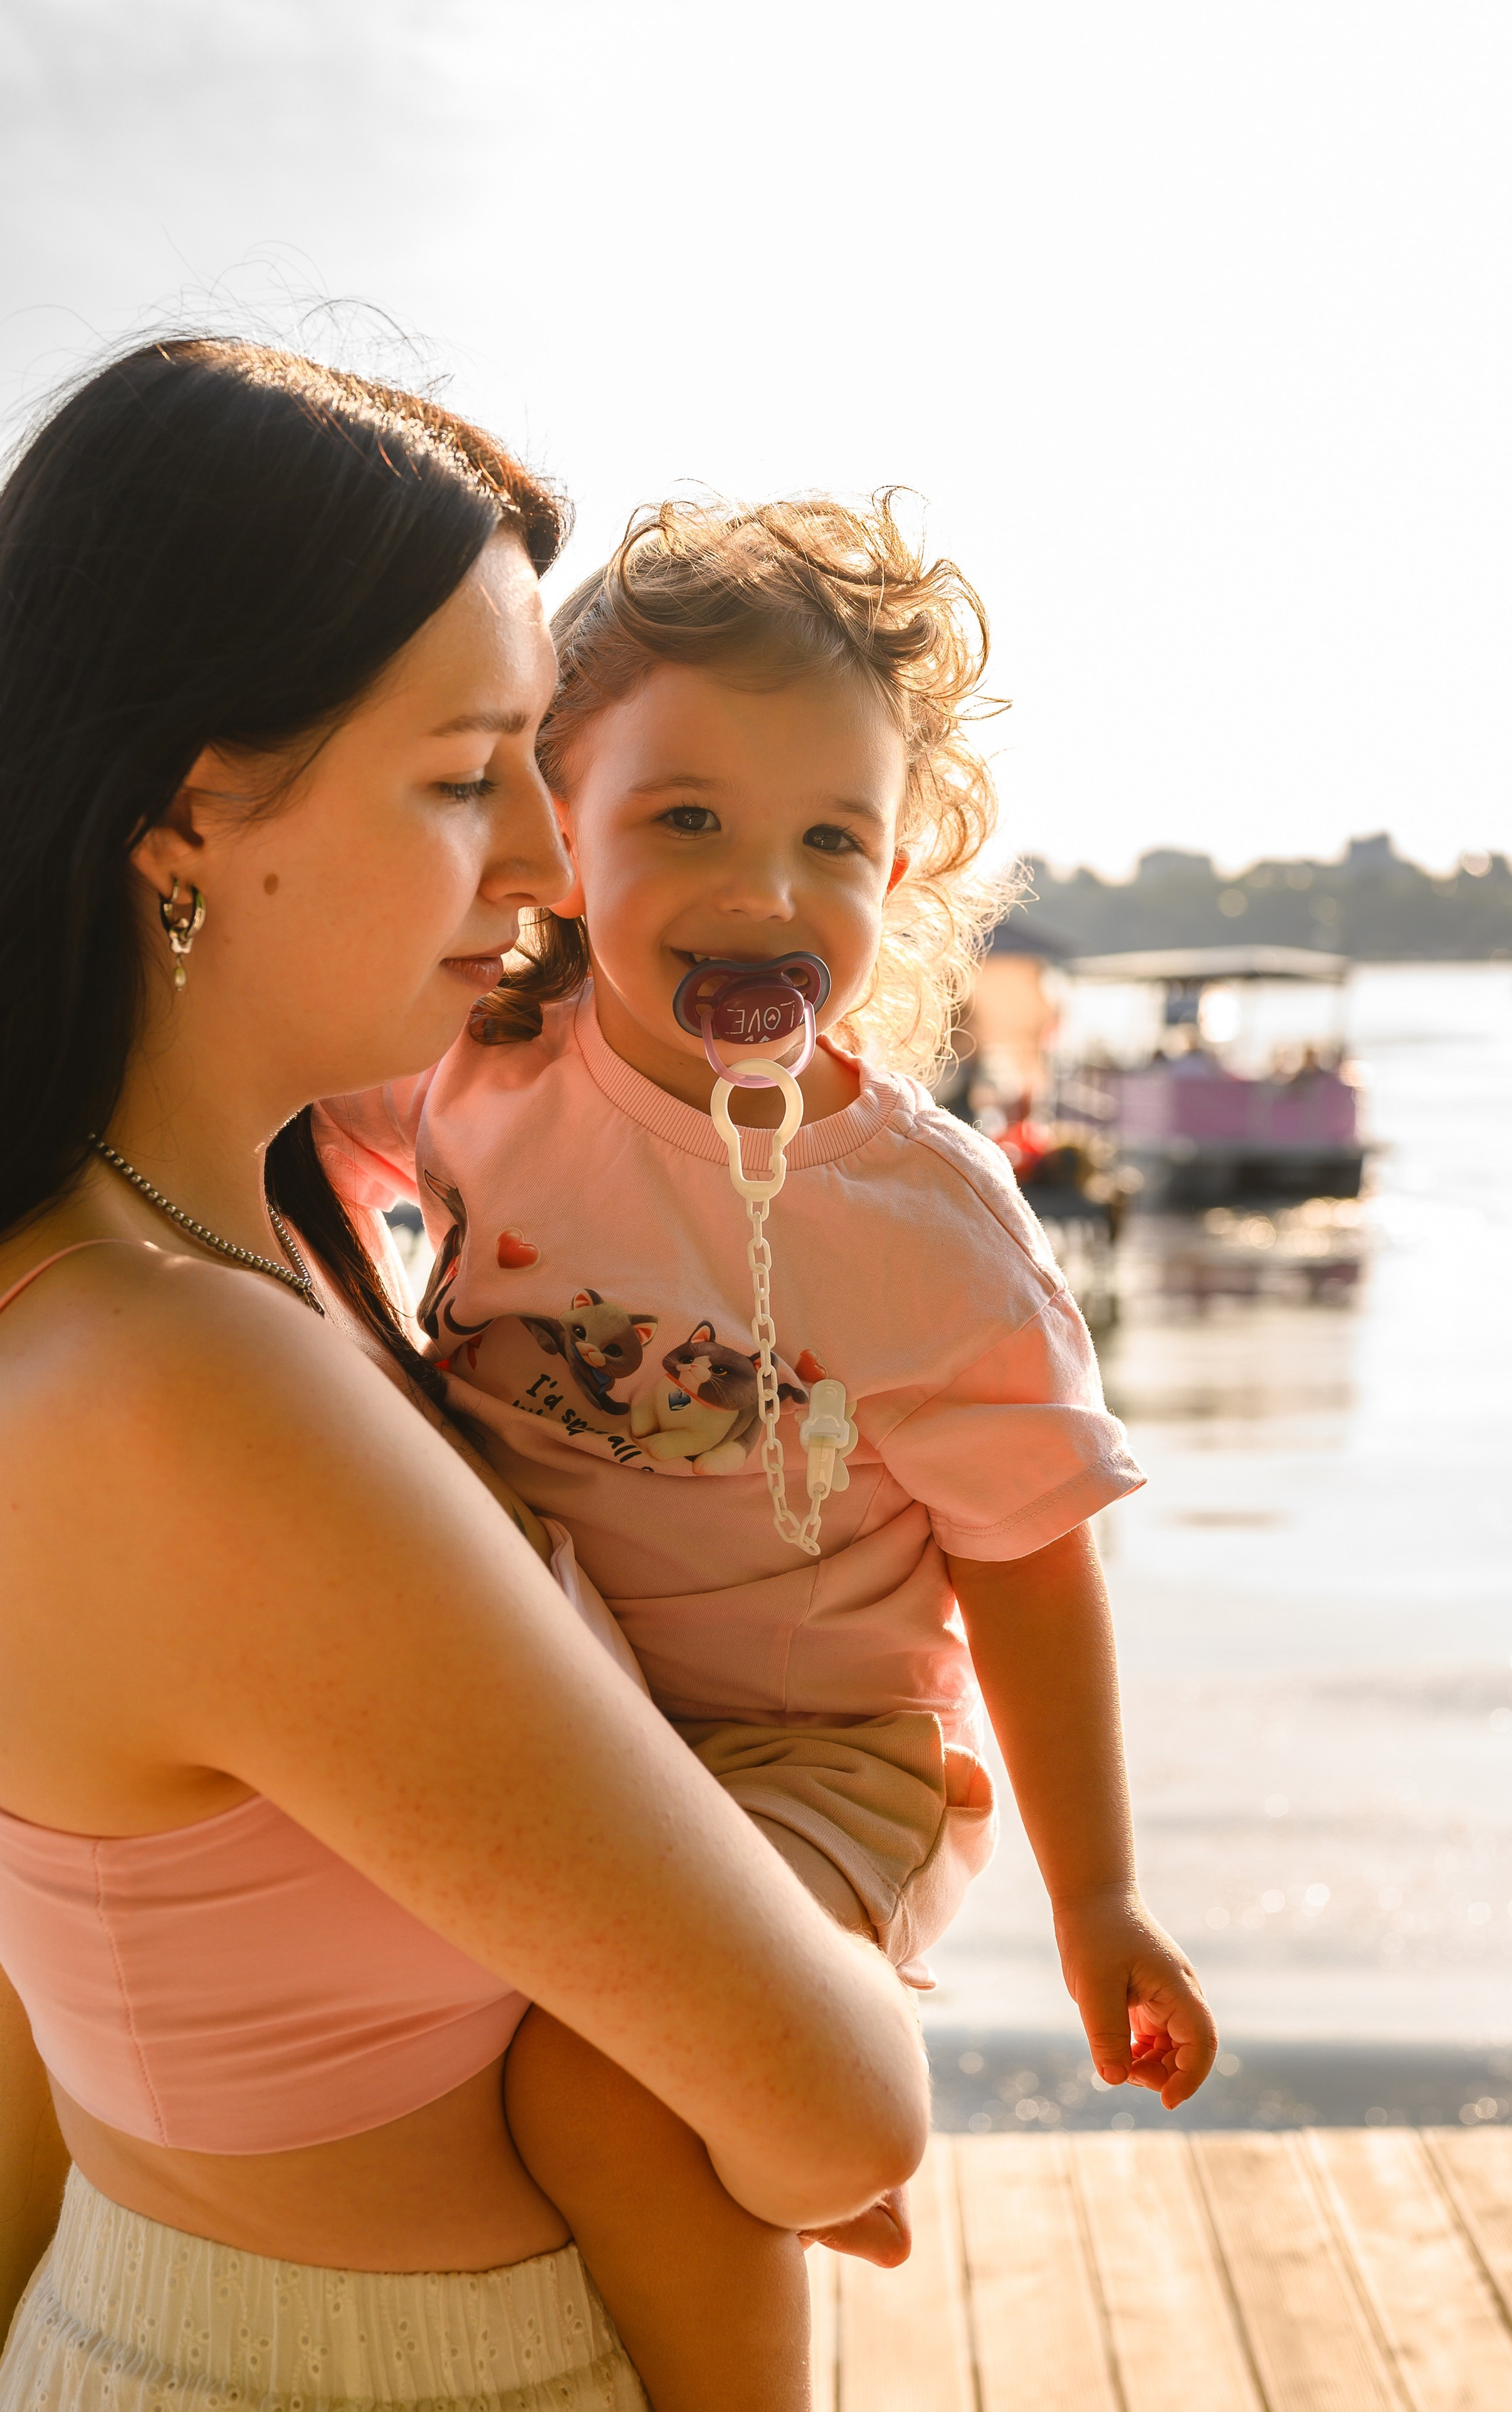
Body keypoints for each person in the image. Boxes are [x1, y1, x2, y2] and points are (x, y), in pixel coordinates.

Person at [0, 342, 928, 2412]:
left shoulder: (165, 1272)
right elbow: (843, 2111)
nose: (542, 862)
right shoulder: (189, 1388)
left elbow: (30, 2020)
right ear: (182, 817)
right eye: (462, 775)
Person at [317, 494, 1220, 2383]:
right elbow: (271, 1122)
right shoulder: (481, 1069)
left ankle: (784, 2144)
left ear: (903, 872)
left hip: (826, 1755)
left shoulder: (920, 1223)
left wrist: (1102, 1900)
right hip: (548, 1695)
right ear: (556, 823)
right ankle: (774, 2126)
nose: (769, 889)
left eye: (836, 838)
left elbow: (1030, 1571)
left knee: (607, 2087)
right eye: (689, 821)